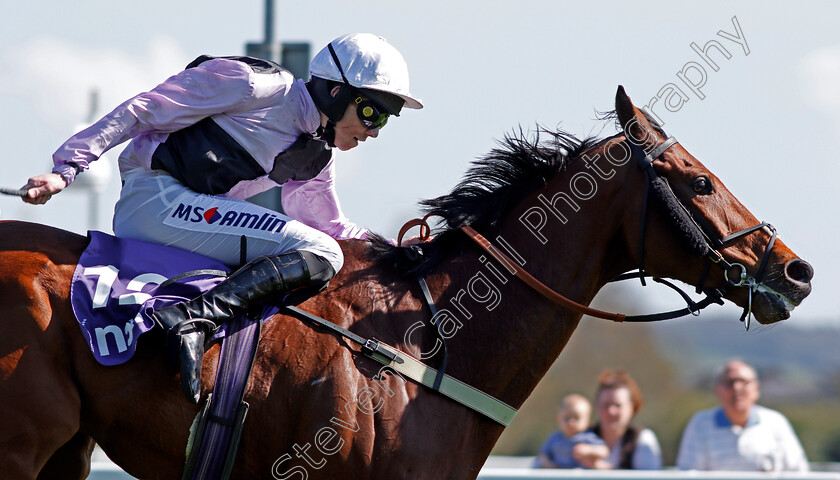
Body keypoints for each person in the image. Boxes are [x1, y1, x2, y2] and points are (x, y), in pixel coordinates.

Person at [20, 33, 422, 403]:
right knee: (321, 252)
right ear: (336, 92)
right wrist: (68, 167)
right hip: (153, 198)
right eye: (372, 113)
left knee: (323, 252)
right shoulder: (256, 84)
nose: (374, 131)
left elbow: (334, 229)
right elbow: (144, 109)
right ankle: (190, 323)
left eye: (385, 119)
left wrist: (401, 251)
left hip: (186, 215)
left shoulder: (318, 156)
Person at [676, 359, 809, 472]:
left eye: (743, 382)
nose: (737, 388)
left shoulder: (776, 422)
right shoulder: (700, 423)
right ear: (718, 390)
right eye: (730, 383)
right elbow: (689, 473)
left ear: (756, 388)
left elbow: (797, 471)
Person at [575, 369, 662, 470]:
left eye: (618, 405)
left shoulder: (643, 440)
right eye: (606, 405)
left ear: (631, 407)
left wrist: (601, 469)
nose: (611, 411)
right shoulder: (580, 437)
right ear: (597, 407)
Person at [533, 394, 609, 469]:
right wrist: (548, 464)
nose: (571, 422)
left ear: (588, 421)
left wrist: (589, 450)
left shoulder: (588, 437)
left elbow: (604, 451)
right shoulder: (554, 438)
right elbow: (543, 455)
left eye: (576, 418)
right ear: (558, 419)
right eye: (567, 418)